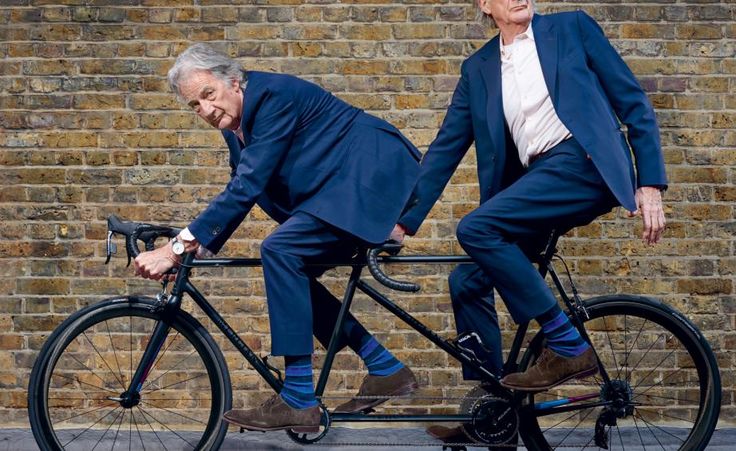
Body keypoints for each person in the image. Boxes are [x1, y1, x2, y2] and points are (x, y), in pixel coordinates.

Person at [133, 43, 421, 432]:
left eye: (208, 95)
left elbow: (249, 184)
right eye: (194, 105)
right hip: (337, 193)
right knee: (290, 270)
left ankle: (300, 399)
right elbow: (242, 185)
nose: (204, 109)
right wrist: (190, 249)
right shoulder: (236, 125)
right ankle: (384, 367)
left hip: (371, 176)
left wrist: (177, 246)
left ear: (234, 81)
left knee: (280, 250)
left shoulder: (272, 97)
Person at [394, 0, 667, 401]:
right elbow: (445, 149)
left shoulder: (571, 28)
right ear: (485, 5)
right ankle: (493, 408)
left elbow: (633, 102)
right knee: (467, 281)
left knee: (475, 227)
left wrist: (650, 183)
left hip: (581, 163)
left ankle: (568, 347)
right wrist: (402, 221)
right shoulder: (478, 68)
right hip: (537, 179)